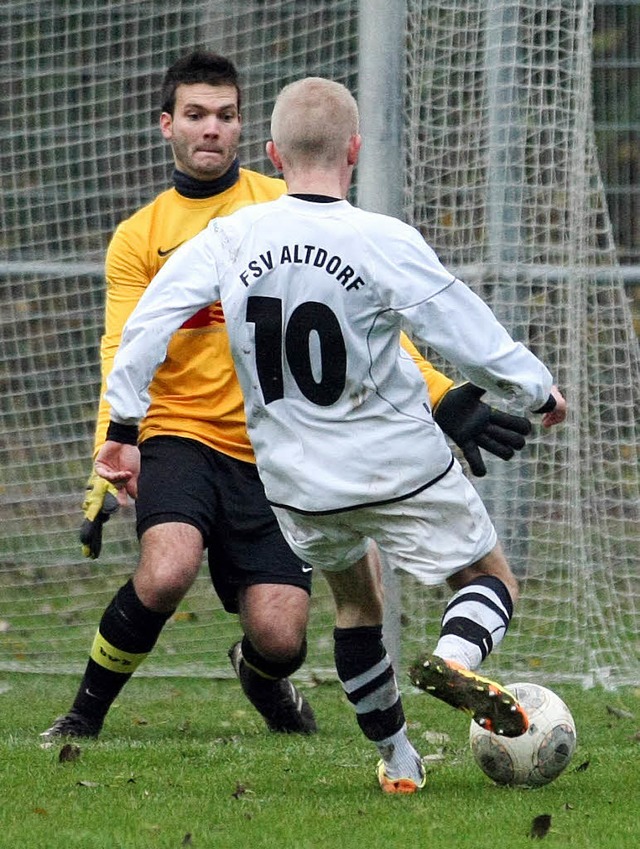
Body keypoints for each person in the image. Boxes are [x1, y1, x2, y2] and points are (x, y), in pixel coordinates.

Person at [42, 55, 537, 746]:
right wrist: (113, 445)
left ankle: (269, 677)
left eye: (225, 114)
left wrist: (441, 393)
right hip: (181, 434)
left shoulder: (277, 209)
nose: (211, 129)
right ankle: (83, 714)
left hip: (273, 453)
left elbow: (370, 329)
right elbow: (127, 341)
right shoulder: (141, 236)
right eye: (195, 114)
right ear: (167, 126)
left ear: (254, 134)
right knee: (167, 568)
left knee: (283, 633)